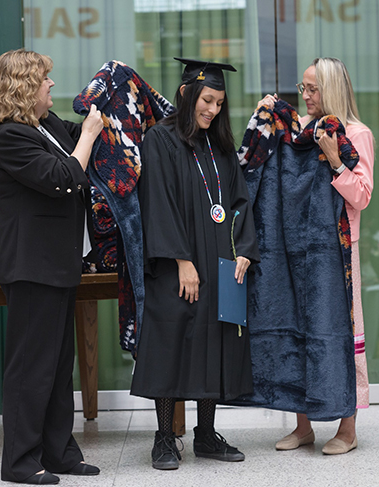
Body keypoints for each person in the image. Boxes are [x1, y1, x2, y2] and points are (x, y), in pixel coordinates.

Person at [0, 49, 103, 485]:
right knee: (30, 368)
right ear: (24, 87)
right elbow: (62, 177)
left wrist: (102, 109)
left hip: (58, 263)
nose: (52, 85)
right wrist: (87, 137)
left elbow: (89, 139)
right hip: (30, 265)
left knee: (55, 366)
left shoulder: (45, 126)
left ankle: (60, 452)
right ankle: (19, 462)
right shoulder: (8, 137)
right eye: (44, 79)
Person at [130, 57, 261, 470]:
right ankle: (165, 438)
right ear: (187, 94)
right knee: (172, 344)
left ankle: (206, 435)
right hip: (179, 265)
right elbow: (159, 205)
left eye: (220, 103)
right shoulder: (160, 140)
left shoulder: (218, 147)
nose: (213, 110)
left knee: (213, 344)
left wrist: (243, 250)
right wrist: (183, 261)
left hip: (221, 262)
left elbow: (239, 203)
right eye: (207, 100)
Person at [259, 57, 374, 455]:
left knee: (343, 334)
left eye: (312, 89)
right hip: (300, 248)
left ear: (332, 90)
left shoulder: (357, 133)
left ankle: (347, 428)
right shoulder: (302, 132)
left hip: (341, 252)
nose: (305, 96)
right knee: (301, 332)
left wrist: (337, 159)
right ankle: (303, 425)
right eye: (303, 88)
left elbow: (362, 196)